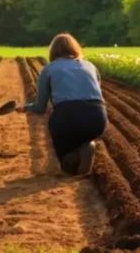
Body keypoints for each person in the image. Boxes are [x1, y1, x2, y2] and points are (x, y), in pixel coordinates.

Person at [16, 33, 107, 175]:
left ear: (53, 51)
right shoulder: (90, 66)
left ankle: (68, 161)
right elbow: (96, 92)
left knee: (59, 130)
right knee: (80, 131)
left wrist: (25, 108)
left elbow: (40, 107)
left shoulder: (49, 69)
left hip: (67, 117)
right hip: (97, 118)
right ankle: (86, 145)